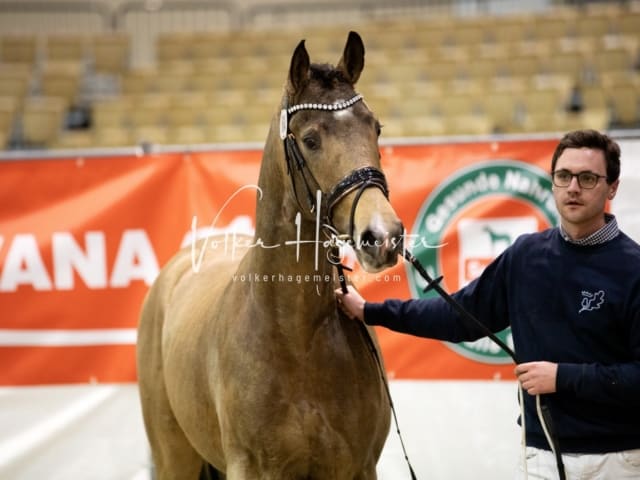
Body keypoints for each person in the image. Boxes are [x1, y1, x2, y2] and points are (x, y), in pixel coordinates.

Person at [336, 129, 640, 479]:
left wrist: (563, 377)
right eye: (563, 176)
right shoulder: (526, 256)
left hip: (618, 460)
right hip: (539, 457)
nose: (573, 187)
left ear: (612, 187)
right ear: (553, 182)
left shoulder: (632, 269)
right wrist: (370, 311)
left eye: (587, 178)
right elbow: (458, 316)